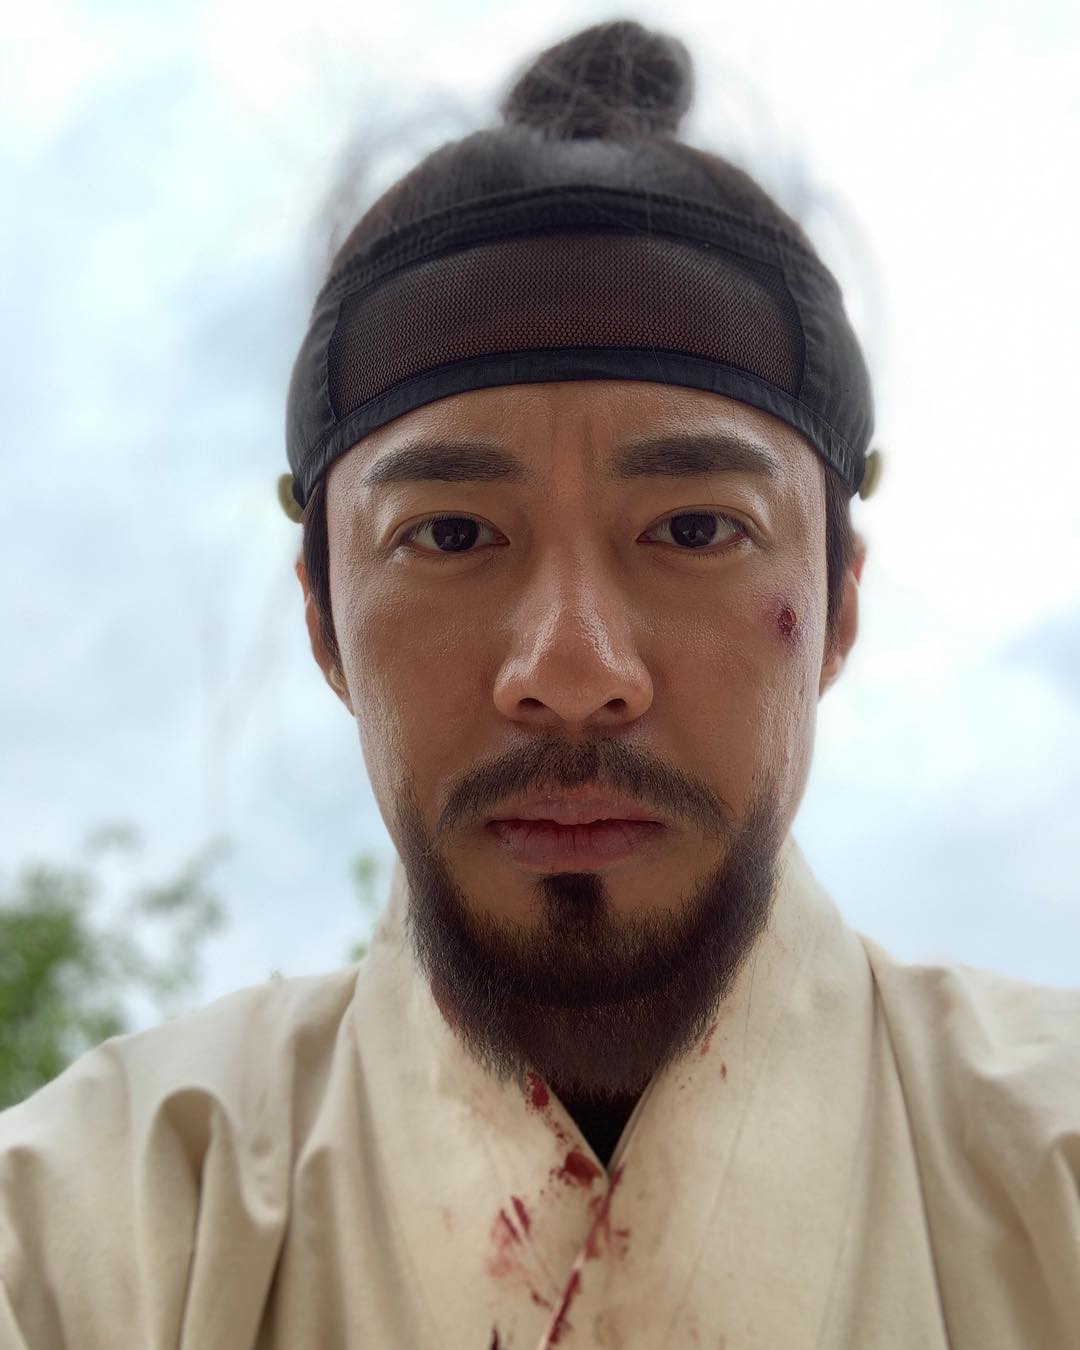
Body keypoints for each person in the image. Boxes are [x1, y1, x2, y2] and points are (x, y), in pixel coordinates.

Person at [1, 18, 1077, 1350]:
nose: (572, 673)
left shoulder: (1053, 1167)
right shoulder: (89, 1229)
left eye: (696, 527)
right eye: (450, 533)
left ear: (838, 609)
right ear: (326, 622)